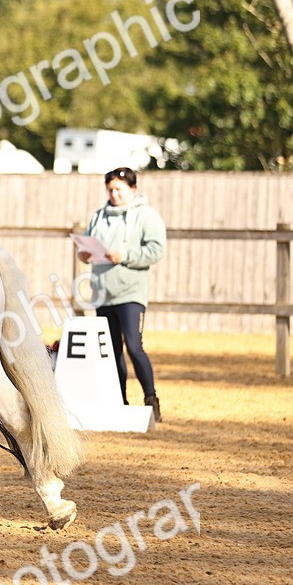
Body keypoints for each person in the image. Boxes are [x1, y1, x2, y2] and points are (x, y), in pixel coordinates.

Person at [80, 167, 167, 421]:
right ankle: (120, 400)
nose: (114, 194)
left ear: (133, 189)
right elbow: (86, 244)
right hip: (103, 293)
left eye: (119, 189)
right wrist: (84, 254)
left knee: (134, 346)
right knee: (111, 349)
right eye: (110, 189)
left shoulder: (147, 216)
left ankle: (151, 398)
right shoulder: (98, 217)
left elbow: (156, 250)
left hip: (131, 293)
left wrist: (125, 256)